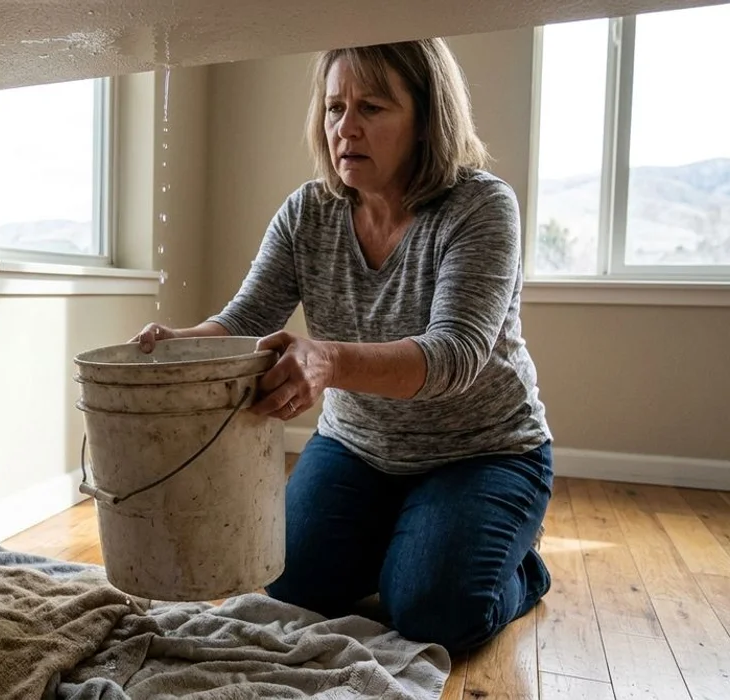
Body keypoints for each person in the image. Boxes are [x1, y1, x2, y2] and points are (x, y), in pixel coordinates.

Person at [131, 38, 553, 654]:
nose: (345, 128)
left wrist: (325, 360)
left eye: (373, 108)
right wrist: (178, 343)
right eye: (335, 108)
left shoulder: (481, 205)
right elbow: (247, 318)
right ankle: (414, 536)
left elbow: (455, 356)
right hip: (357, 447)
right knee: (289, 581)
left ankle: (519, 565)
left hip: (483, 452)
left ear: (427, 118)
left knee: (435, 611)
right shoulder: (308, 213)